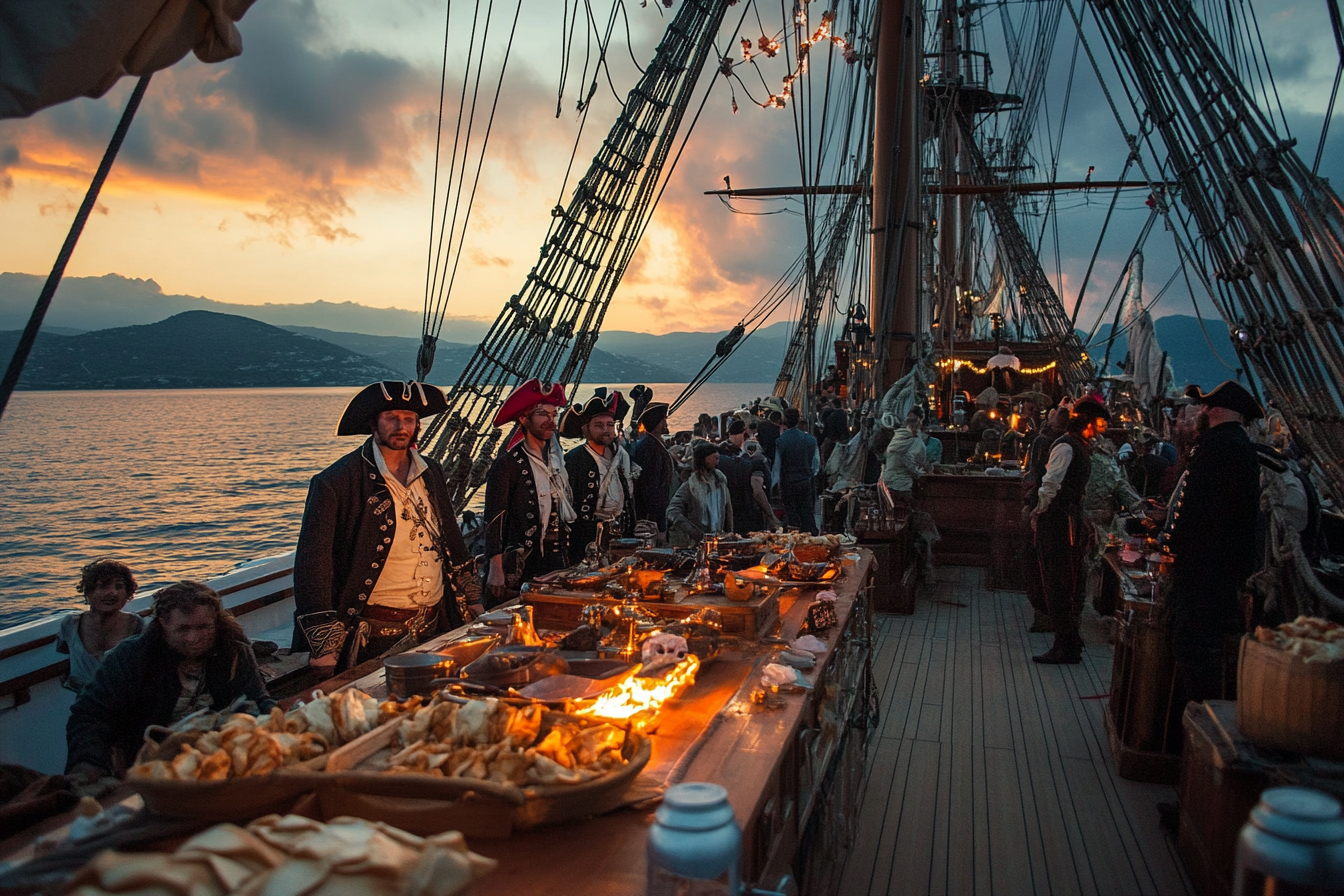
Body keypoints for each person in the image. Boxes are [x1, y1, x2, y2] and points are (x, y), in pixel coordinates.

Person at [294, 381, 473, 672]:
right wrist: (324, 645)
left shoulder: (431, 471)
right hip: (374, 633)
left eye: (409, 419)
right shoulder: (336, 482)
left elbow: (451, 536)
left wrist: (473, 599)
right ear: (373, 424)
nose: (401, 426)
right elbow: (313, 566)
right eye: (391, 417)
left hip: (437, 620)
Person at [65, 581, 275, 782]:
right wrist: (90, 764)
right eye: (183, 629)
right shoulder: (131, 657)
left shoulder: (235, 650)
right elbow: (89, 715)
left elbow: (258, 698)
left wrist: (279, 720)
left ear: (216, 622)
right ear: (163, 623)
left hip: (220, 756)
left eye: (203, 628)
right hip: (150, 765)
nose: (194, 638)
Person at [1165, 380, 1263, 702]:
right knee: (1198, 643)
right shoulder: (1238, 445)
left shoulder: (1218, 447)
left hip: (1206, 567)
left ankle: (1198, 717)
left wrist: (1173, 545)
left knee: (1193, 645)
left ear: (1218, 410)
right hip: (1221, 565)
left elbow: (1201, 510)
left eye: (1207, 406)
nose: (1202, 410)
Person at [1030, 399, 1111, 664]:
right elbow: (1049, 483)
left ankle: (1067, 642)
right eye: (1097, 424)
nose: (1100, 430)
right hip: (1058, 520)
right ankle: (1066, 641)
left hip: (1066, 521)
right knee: (1058, 579)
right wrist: (1039, 510)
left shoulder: (1079, 446)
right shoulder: (1065, 446)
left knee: (1064, 580)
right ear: (1086, 422)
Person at [483, 378, 573, 607]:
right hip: (522, 567)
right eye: (543, 414)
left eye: (554, 414)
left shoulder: (556, 460)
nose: (550, 421)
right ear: (523, 418)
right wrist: (496, 569)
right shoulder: (507, 463)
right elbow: (494, 518)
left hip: (557, 560)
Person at [561, 389, 635, 558]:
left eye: (610, 425)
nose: (606, 430)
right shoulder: (574, 460)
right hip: (586, 536)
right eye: (599, 425)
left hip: (620, 533)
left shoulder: (620, 455)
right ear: (586, 429)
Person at [55, 559, 146, 694]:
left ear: (128, 593)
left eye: (119, 586)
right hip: (84, 701)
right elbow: (65, 650)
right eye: (103, 586)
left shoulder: (136, 624)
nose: (113, 592)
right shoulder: (71, 624)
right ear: (88, 591)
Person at [1021, 402, 1068, 632]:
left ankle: (1046, 616)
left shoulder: (1049, 443)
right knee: (1045, 565)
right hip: (1053, 510)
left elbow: (1037, 475)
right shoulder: (1058, 443)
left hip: (1048, 511)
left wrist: (1035, 506)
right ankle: (1046, 615)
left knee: (1041, 564)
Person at [667, 442, 733, 545]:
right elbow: (672, 511)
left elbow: (728, 508)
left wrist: (730, 533)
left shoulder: (720, 481)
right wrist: (694, 533)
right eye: (714, 458)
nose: (717, 461)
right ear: (704, 459)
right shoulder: (691, 485)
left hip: (719, 540)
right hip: (699, 544)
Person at [773, 407, 820, 534]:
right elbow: (816, 465)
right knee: (807, 514)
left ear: (784, 421)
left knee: (791, 516)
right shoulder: (810, 440)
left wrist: (774, 485)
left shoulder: (781, 441)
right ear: (798, 420)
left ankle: (793, 543)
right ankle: (811, 540)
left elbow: (777, 467)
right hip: (805, 482)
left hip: (788, 483)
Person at [632, 402, 676, 536]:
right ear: (657, 422)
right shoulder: (649, 448)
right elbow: (651, 489)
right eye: (663, 420)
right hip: (650, 520)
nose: (666, 423)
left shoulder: (652, 444)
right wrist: (660, 525)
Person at [881, 410, 928, 509]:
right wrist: (919, 474)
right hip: (903, 485)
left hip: (887, 481)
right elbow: (909, 460)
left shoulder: (896, 438)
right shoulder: (913, 441)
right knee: (913, 509)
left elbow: (885, 457)